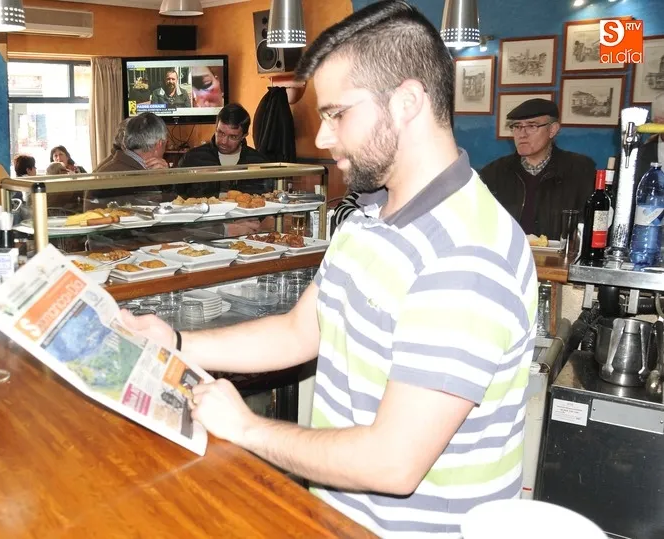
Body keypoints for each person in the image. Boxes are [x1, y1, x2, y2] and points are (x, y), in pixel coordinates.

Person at [123, 2, 536, 537]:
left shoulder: (466, 254)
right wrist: (175, 340)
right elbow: (300, 330)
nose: (321, 138)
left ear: (408, 102)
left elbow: (392, 463)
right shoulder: (368, 215)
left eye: (338, 113)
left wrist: (247, 428)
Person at [480, 98, 597, 239]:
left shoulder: (581, 171)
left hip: (559, 258)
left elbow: (592, 225)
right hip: (508, 258)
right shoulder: (493, 173)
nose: (522, 134)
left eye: (532, 126)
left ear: (552, 130)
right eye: (517, 126)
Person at [177, 103, 269, 197]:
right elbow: (174, 194)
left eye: (233, 137)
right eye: (221, 133)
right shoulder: (192, 158)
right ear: (215, 128)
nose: (224, 142)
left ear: (244, 136)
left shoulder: (258, 162)